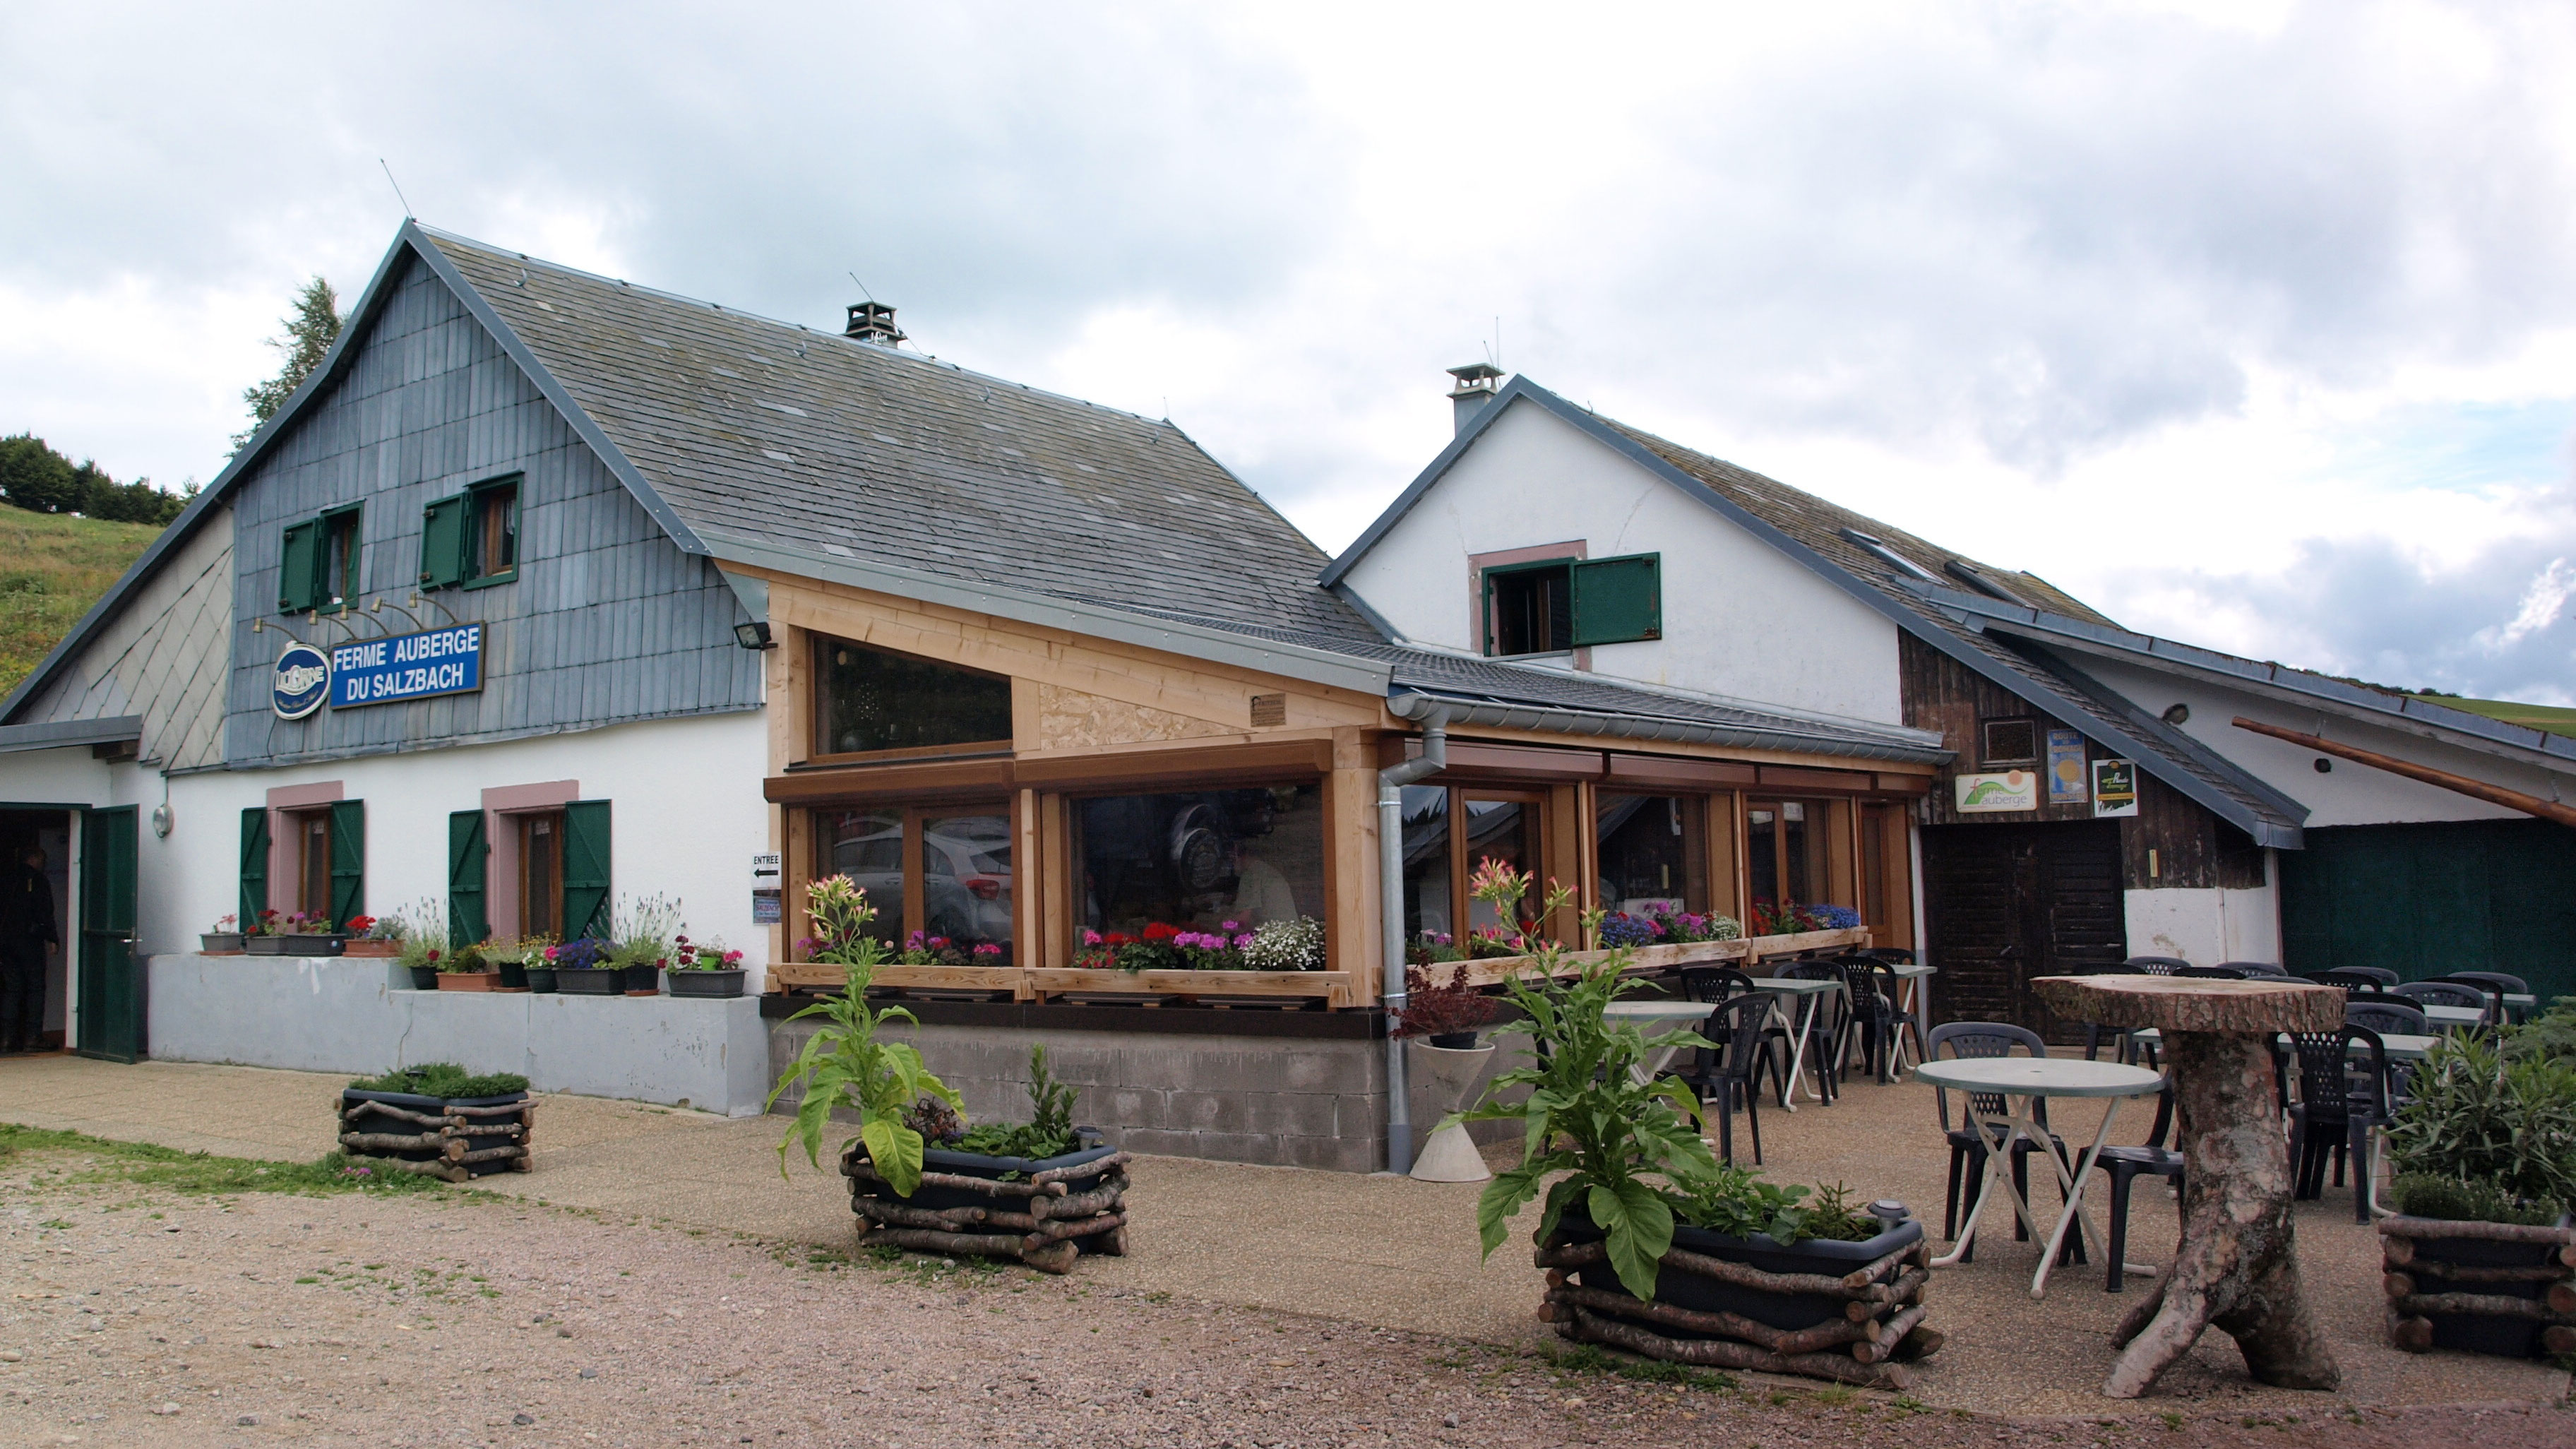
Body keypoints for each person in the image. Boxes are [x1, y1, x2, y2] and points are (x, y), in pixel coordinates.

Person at [0, 842, 58, 1054]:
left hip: (6, 941)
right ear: (34, 859)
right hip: (30, 941)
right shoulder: (38, 880)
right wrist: (52, 938)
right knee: (35, 988)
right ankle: (33, 1037)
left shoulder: (6, 878)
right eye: (42, 860)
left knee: (12, 988)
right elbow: (44, 912)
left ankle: (7, 1039)